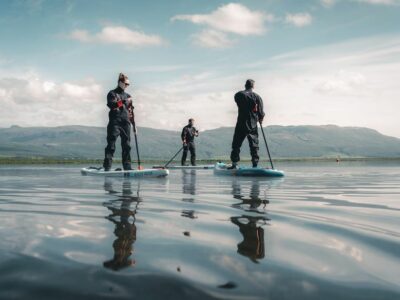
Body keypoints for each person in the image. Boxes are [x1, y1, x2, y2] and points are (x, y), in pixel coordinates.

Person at [229, 79, 265, 169]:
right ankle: (255, 165)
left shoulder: (238, 95)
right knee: (254, 145)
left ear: (245, 85)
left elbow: (237, 102)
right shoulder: (257, 97)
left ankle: (234, 164)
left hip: (241, 123)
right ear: (253, 86)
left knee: (236, 144)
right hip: (252, 124)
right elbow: (261, 112)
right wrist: (260, 119)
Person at [103, 73, 135, 171]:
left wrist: (134, 125)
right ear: (120, 82)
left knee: (127, 145)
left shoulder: (128, 96)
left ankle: (127, 167)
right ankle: (107, 167)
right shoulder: (112, 93)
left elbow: (131, 111)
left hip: (126, 123)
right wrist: (123, 101)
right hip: (115, 122)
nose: (127, 86)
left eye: (128, 84)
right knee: (111, 145)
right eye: (126, 83)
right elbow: (111, 105)